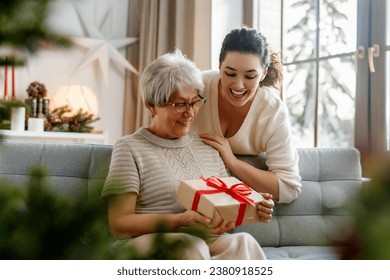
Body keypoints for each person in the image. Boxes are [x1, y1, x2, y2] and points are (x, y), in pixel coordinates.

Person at [101, 49, 273, 260]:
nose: (190, 112)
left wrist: (253, 204)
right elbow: (119, 224)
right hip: (149, 242)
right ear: (152, 106)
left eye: (194, 102)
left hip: (201, 239)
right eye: (180, 104)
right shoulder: (129, 148)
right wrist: (180, 220)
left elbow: (221, 206)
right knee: (191, 246)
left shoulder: (208, 147)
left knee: (243, 242)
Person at [191, 26, 302, 203]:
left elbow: (288, 188)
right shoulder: (196, 87)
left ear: (263, 73)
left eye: (250, 76)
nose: (238, 85)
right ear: (219, 67)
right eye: (230, 73)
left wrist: (233, 162)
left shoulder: (272, 111)